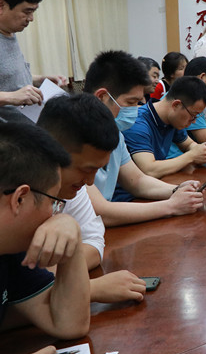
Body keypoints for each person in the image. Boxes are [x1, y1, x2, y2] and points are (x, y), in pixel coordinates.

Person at [0, 118, 90, 354]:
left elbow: (69, 323)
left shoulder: (9, 248)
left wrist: (71, 231)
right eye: (53, 202)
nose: (53, 214)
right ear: (20, 198)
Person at [37, 95, 147, 304]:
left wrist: (51, 271)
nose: (89, 182)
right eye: (86, 170)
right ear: (49, 152)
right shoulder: (16, 192)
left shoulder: (70, 187)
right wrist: (88, 289)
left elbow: (94, 243)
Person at [83, 51, 203, 226]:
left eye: (138, 102)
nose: (136, 109)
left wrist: (178, 189)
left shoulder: (115, 132)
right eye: (131, 102)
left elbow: (137, 181)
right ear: (102, 97)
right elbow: (99, 212)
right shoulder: (72, 137)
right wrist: (171, 206)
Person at [125, 76, 206, 179]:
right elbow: (149, 170)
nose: (194, 121)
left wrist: (200, 151)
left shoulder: (172, 120)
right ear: (176, 105)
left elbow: (188, 144)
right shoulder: (137, 123)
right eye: (193, 115)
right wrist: (192, 156)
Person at [0, 0, 68, 107]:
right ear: (1, 5)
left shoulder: (9, 33)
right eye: (27, 12)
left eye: (33, 12)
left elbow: (7, 78)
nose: (31, 18)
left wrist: (39, 80)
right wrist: (10, 97)